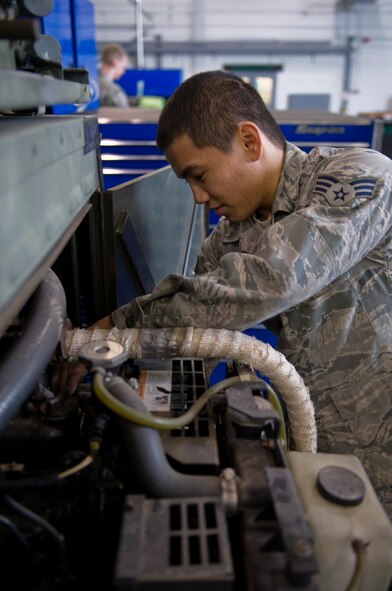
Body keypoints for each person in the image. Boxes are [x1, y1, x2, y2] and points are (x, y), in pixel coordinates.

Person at [94, 70, 392, 518]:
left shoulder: (358, 178)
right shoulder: (229, 238)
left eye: (199, 175)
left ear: (250, 141)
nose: (197, 197)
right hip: (322, 443)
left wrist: (115, 330)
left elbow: (274, 277)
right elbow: (199, 324)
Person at [98, 43, 129, 108]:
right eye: (123, 67)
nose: (123, 72)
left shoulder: (92, 84)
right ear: (116, 62)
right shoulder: (113, 91)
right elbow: (125, 114)